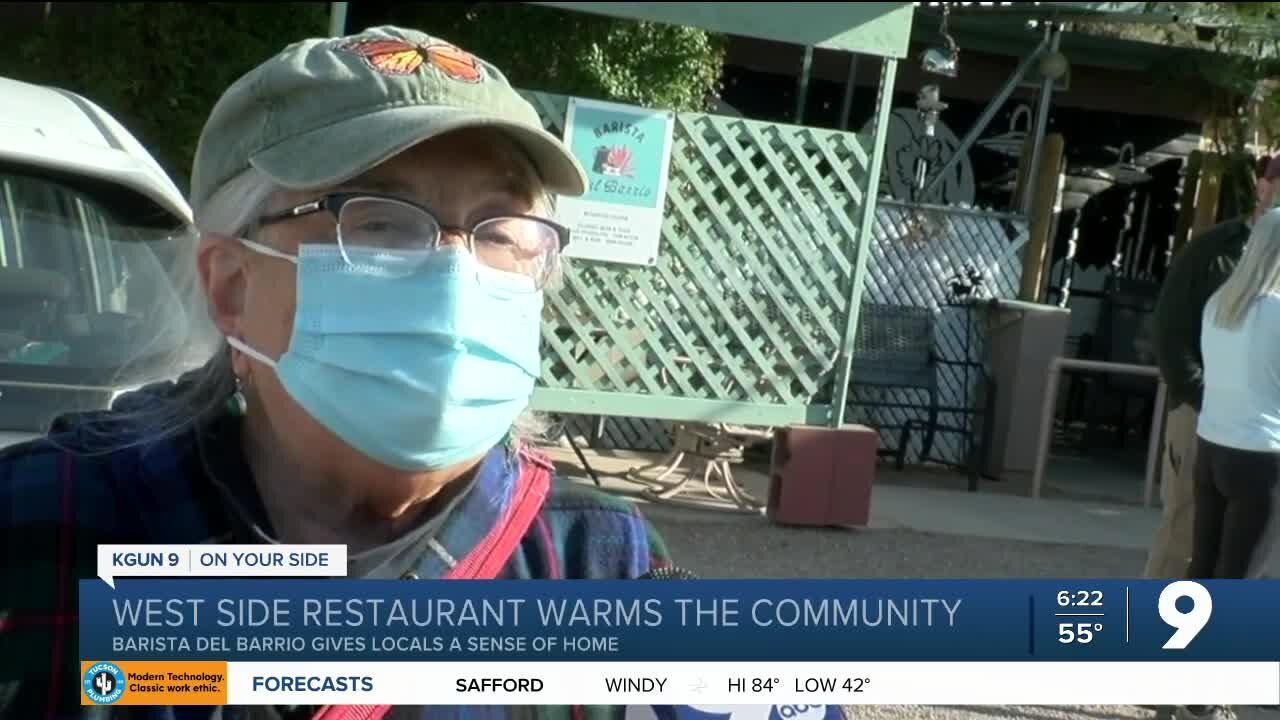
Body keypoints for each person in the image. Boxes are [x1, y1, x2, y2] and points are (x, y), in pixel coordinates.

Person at [0, 26, 673, 719]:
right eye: (379, 222)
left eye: (500, 230)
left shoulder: (595, 562)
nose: (453, 274)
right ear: (231, 286)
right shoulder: (47, 532)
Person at [1146, 154, 1280, 578]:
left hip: (1237, 431)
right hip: (1204, 419)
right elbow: (1169, 340)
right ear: (1263, 186)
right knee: (1184, 534)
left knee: (1223, 560)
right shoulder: (1211, 252)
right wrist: (1213, 402)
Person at [1191, 207, 1280, 579]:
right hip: (1259, 453)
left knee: (1203, 565)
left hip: (1211, 445)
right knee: (1241, 572)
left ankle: (1180, 636)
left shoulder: (1219, 304)